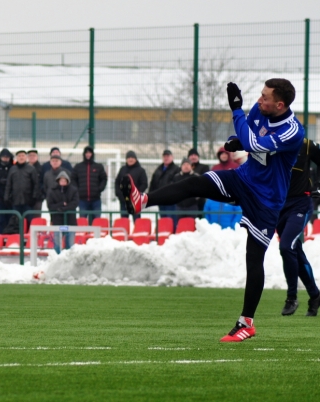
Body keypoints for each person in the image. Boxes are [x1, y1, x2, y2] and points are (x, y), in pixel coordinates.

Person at [121, 79, 304, 342]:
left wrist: (236, 111)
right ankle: (142, 201)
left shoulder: (292, 130)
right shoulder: (259, 110)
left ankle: (246, 323)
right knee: (196, 182)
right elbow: (247, 137)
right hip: (243, 179)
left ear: (280, 104)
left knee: (254, 258)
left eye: (265, 98)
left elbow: (255, 143)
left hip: (267, 199)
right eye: (260, 96)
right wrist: (235, 142)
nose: (259, 100)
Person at [277, 138, 320, 317]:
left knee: (286, 247)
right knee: (294, 251)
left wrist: (317, 186)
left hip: (301, 204)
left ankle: (291, 298)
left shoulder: (306, 144)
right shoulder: (270, 144)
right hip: (279, 206)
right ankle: (315, 295)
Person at [72, 146, 107, 224]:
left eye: (89, 152)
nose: (88, 154)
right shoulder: (78, 167)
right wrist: (78, 190)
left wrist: (99, 189)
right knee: (82, 221)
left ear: (92, 154)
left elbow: (104, 179)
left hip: (96, 200)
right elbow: (73, 179)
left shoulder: (98, 167)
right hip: (82, 200)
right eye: (86, 153)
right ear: (84, 154)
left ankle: (96, 236)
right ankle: (83, 236)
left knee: (97, 221)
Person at [46, 170, 79, 254]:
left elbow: (74, 204)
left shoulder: (73, 190)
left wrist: (63, 209)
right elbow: (50, 205)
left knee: (70, 245)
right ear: (58, 181)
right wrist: (61, 205)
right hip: (57, 221)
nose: (63, 182)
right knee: (57, 245)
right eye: (61, 180)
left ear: (68, 181)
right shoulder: (52, 191)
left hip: (70, 221)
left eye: (65, 180)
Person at [5, 150, 39, 226]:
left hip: (28, 201)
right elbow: (9, 184)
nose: (21, 157)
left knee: (30, 221)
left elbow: (36, 184)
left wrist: (34, 198)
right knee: (16, 221)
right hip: (15, 201)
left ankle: (28, 237)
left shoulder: (31, 169)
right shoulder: (13, 169)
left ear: (26, 157)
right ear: (16, 158)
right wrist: (7, 197)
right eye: (19, 156)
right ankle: (17, 237)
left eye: (23, 156)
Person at [114, 151, 147, 220]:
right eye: (128, 157)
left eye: (132, 157)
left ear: (136, 159)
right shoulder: (122, 169)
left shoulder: (141, 170)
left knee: (137, 221)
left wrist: (136, 194)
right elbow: (117, 183)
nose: (130, 159)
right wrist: (119, 195)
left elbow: (144, 184)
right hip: (124, 201)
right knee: (123, 221)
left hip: (135, 202)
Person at [148, 149, 180, 221]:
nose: (166, 158)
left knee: (171, 219)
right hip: (161, 199)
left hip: (170, 200)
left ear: (172, 157)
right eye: (164, 156)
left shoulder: (176, 169)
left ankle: (172, 232)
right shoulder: (158, 169)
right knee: (163, 219)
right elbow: (153, 183)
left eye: (168, 156)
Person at [172, 158, 200, 225]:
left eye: (188, 164)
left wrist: (194, 199)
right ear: (181, 166)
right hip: (179, 206)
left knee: (192, 225)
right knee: (180, 225)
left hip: (192, 206)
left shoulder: (196, 177)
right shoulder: (176, 177)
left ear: (191, 166)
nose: (186, 166)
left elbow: (201, 190)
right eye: (184, 164)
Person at [27, 149, 44, 219]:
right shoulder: (24, 167)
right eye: (30, 155)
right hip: (26, 197)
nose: (32, 157)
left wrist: (40, 193)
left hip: (38, 198)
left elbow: (43, 182)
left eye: (34, 155)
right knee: (26, 217)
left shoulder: (41, 168)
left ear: (37, 157)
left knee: (36, 217)